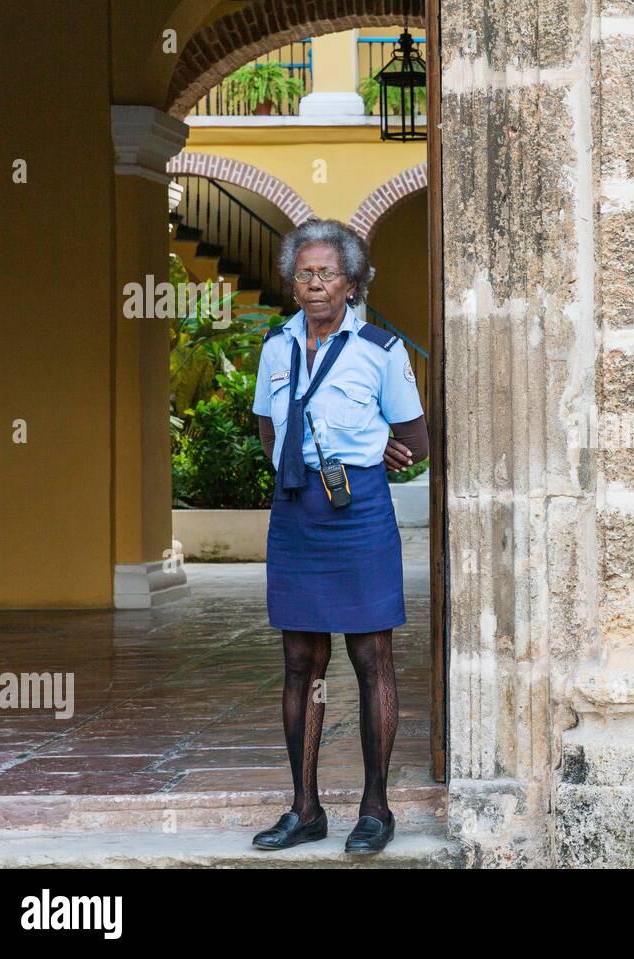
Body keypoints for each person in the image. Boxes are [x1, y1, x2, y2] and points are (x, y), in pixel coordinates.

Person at [247, 218, 428, 855]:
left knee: (370, 656)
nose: (314, 284)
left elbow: (417, 442)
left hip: (357, 514)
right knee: (300, 662)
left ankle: (375, 808)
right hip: (296, 512)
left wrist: (375, 446)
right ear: (292, 281)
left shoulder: (381, 349)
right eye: (304, 273)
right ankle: (305, 809)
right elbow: (269, 432)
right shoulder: (277, 346)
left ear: (351, 284)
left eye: (326, 274)